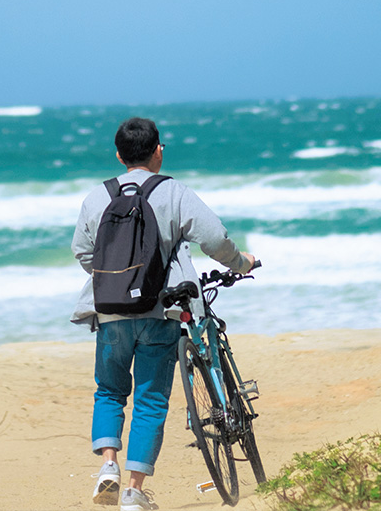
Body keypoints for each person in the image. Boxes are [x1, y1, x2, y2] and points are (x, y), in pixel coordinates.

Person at [71, 117, 256, 511]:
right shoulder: (173, 192)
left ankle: (108, 466)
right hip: (162, 311)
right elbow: (214, 239)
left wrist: (119, 280)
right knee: (151, 400)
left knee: (108, 391)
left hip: (111, 313)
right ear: (158, 151)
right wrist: (241, 262)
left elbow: (84, 253)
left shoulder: (96, 197)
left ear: (119, 155)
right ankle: (134, 493)